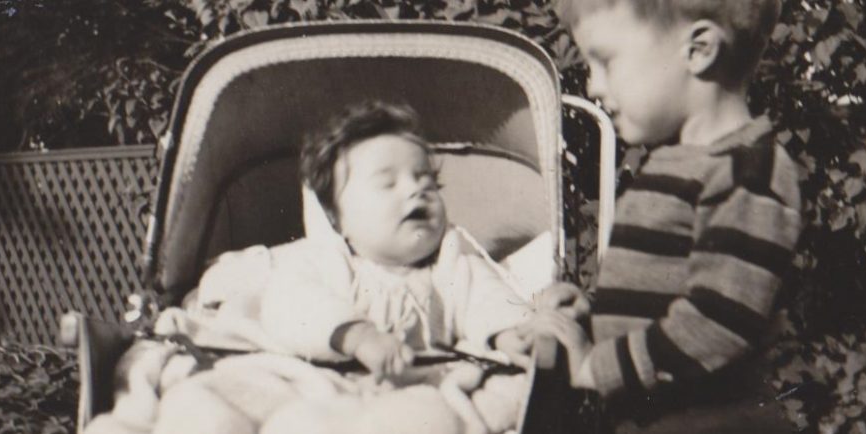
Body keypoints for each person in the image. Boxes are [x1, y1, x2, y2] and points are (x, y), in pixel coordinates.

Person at [526, 0, 805, 432]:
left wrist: (595, 367)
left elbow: (716, 324)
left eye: (604, 61)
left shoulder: (747, 171)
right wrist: (595, 314)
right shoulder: (676, 162)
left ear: (698, 51)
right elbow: (663, 300)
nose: (594, 85)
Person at [260, 101, 534, 381]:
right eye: (387, 184)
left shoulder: (453, 265)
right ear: (335, 219)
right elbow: (288, 306)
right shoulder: (322, 262)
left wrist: (508, 334)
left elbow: (488, 300)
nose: (417, 190)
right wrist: (356, 336)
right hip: (333, 384)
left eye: (427, 182)